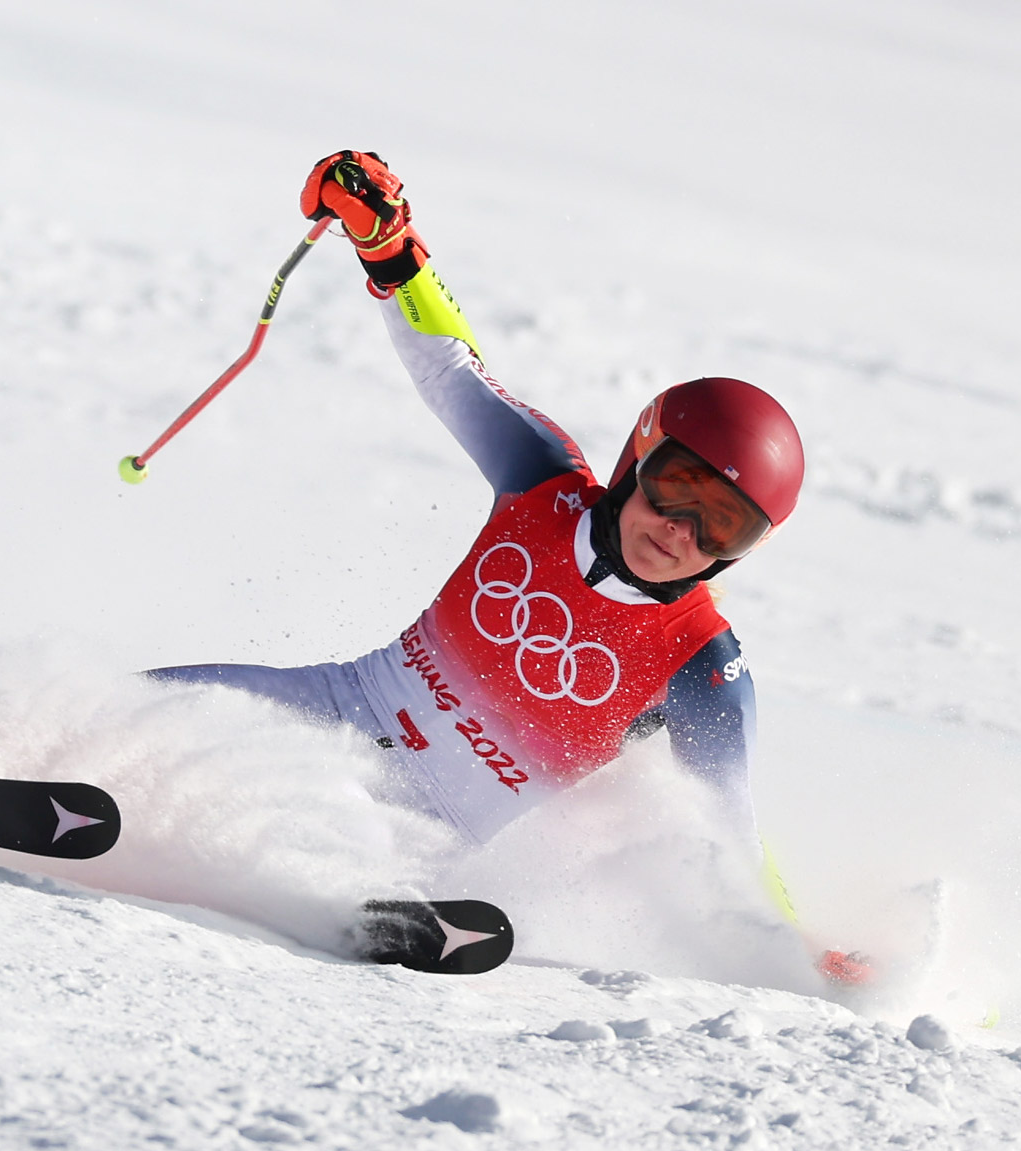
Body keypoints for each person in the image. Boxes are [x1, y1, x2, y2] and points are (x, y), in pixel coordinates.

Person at [148, 151, 811, 972]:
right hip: (332, 702)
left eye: (722, 528)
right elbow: (448, 366)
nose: (681, 532)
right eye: (679, 488)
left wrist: (805, 952)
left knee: (307, 826)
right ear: (639, 455)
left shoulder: (703, 664)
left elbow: (729, 834)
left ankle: (294, 880)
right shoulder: (544, 482)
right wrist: (389, 245)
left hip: (420, 831)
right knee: (139, 709)